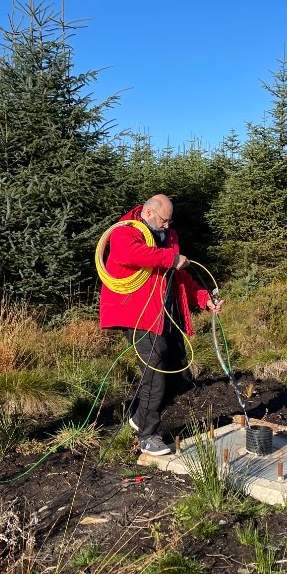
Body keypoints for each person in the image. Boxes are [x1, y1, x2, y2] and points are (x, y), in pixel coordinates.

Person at [99, 194, 223, 456]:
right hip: (138, 316)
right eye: (165, 221)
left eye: (170, 221)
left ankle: (139, 417)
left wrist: (203, 299)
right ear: (150, 213)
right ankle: (148, 436)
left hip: (167, 316)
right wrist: (170, 258)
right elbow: (128, 254)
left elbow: (180, 277)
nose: (168, 226)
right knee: (155, 373)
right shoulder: (126, 231)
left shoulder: (170, 236)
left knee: (180, 376)